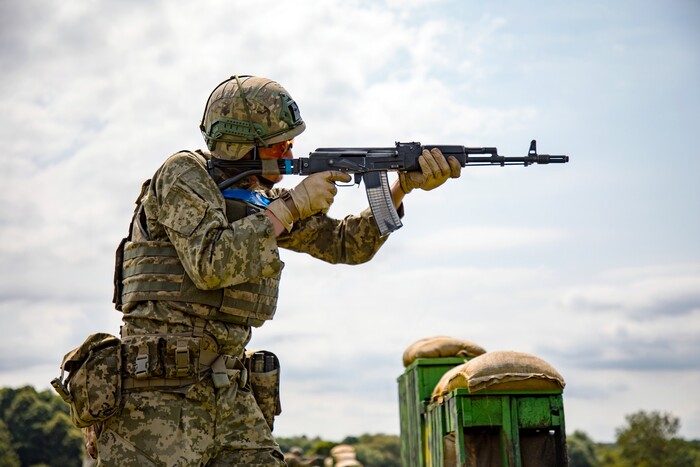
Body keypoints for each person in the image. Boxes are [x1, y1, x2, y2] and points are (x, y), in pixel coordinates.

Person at [94, 75, 461, 465]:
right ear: (241, 142)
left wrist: (400, 188)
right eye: (279, 140)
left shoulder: (259, 200)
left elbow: (347, 245)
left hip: (227, 391)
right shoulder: (183, 175)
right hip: (154, 399)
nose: (290, 148)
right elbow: (210, 264)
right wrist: (290, 207)